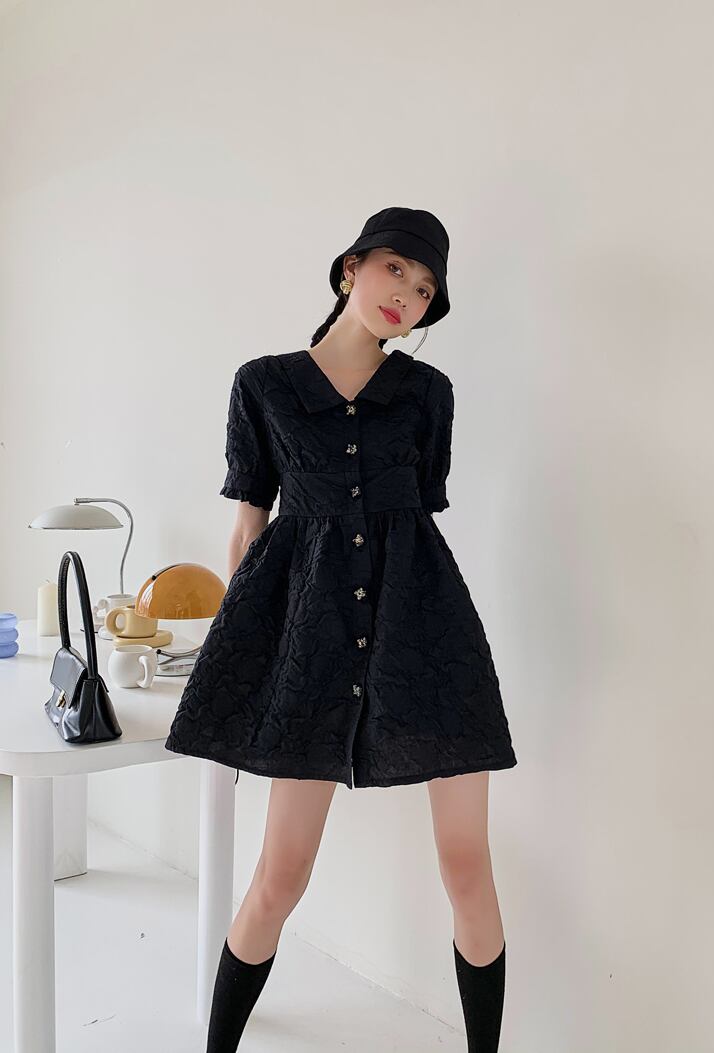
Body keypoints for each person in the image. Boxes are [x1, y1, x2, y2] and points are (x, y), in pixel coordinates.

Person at [164, 206, 517, 1051]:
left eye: (425, 289)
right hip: (311, 640)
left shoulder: (428, 395)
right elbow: (249, 530)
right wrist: (248, 657)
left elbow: (417, 512)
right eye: (396, 269)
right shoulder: (264, 384)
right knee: (280, 873)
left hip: (427, 637)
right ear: (352, 266)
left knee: (467, 863)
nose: (407, 295)